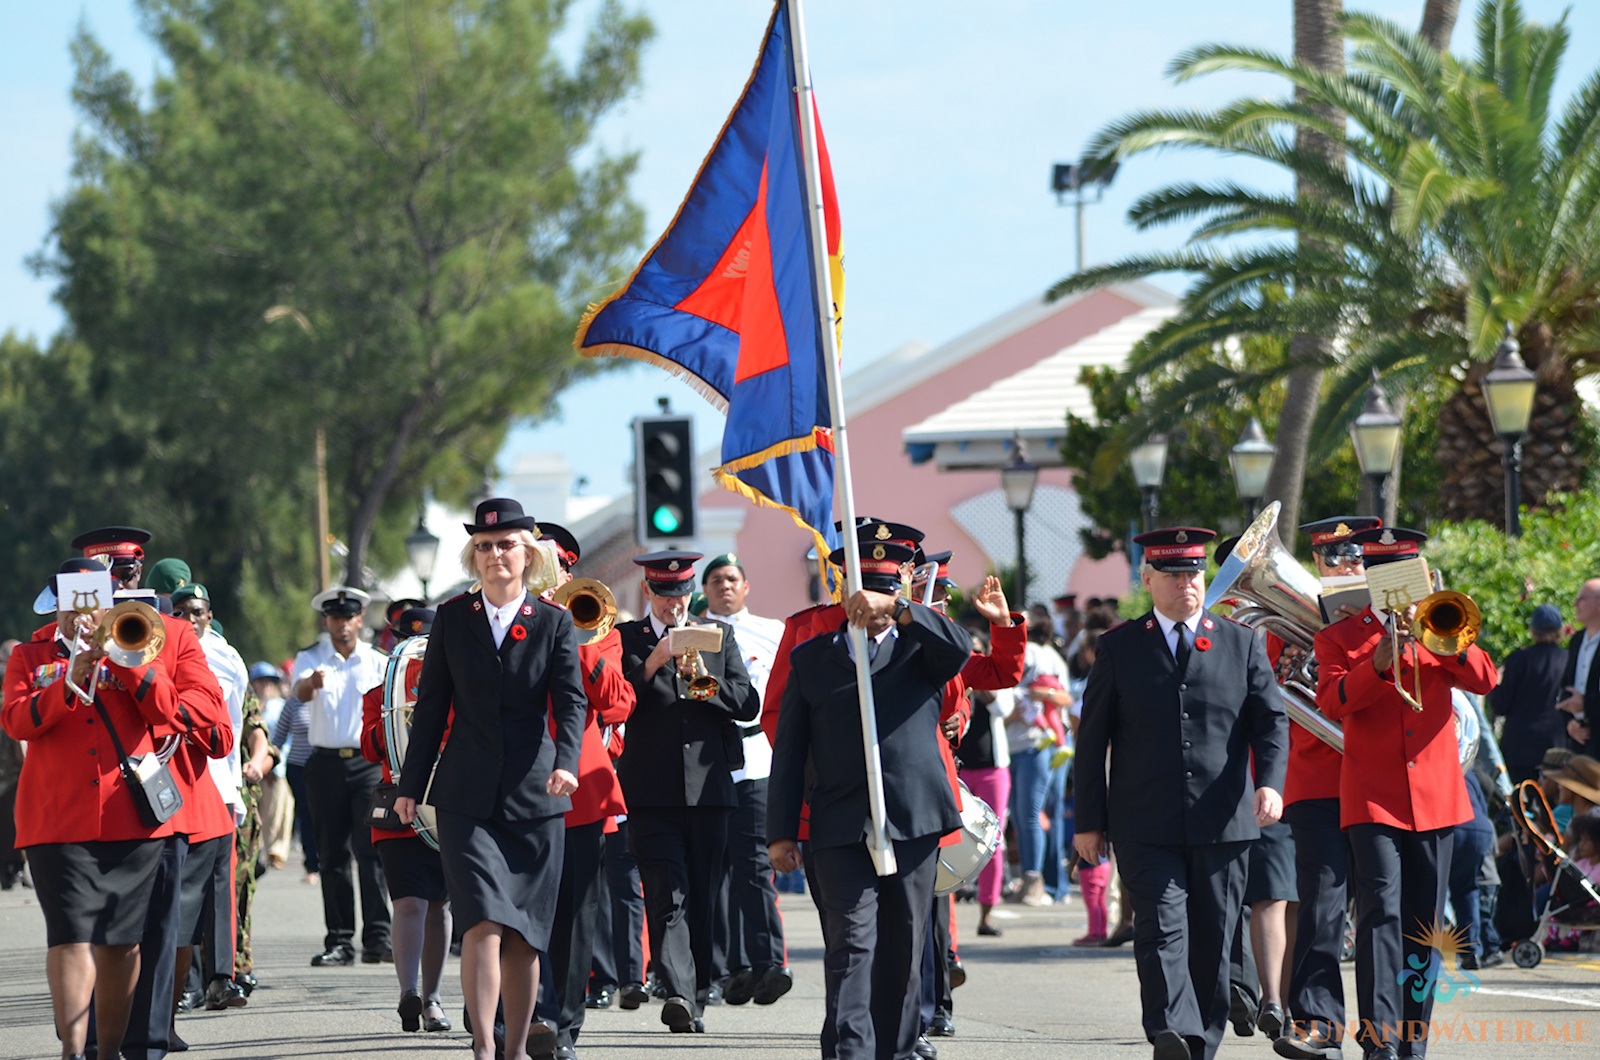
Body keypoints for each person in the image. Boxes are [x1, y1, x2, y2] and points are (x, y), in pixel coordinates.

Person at [4, 557, 230, 1060]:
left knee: (122, 942)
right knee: (69, 933)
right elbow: (17, 721)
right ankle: (72, 1050)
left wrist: (127, 662)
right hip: (56, 821)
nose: (82, 613)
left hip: (131, 821)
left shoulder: (135, 645)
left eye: (94, 601)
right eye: (72, 602)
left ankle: (109, 1052)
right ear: (56, 607)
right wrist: (66, 682)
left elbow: (174, 713)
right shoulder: (30, 654)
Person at [1074, 527, 1287, 1060]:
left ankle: (1202, 1042)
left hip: (1224, 822)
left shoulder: (1241, 642)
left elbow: (1271, 724)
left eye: (1193, 572)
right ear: (1147, 579)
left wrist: (1270, 784)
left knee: (1213, 940)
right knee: (1161, 927)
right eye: (1172, 573)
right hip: (1144, 823)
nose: (1185, 583)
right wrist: (1087, 822)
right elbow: (1091, 739)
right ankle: (1173, 1030)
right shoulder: (1120, 646)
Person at [395, 498, 587, 1060]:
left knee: (526, 932)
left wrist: (567, 762)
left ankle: (516, 1048)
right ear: (474, 556)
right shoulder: (453, 618)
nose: (495, 554)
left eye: (506, 544)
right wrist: (409, 787)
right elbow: (430, 707)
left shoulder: (553, 621)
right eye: (485, 546)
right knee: (481, 920)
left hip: (536, 796)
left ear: (527, 554)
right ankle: (483, 1047)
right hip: (465, 798)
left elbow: (571, 703)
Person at [768, 539, 972, 1060]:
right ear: (846, 594)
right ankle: (850, 1050)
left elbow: (961, 649)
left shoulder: (921, 650)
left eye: (886, 591)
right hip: (838, 821)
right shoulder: (812, 658)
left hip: (912, 819)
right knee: (851, 942)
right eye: (868, 591)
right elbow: (790, 751)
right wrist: (781, 832)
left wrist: (904, 610)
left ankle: (896, 1050)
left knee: (904, 947)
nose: (875, 602)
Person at [1318, 526, 1497, 1060]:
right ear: (1372, 580)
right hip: (1372, 799)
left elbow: (1486, 679)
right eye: (1388, 573)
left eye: (1407, 572)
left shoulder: (1439, 628)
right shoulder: (1341, 637)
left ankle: (1412, 1043)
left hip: (1437, 798)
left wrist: (1441, 638)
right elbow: (1332, 700)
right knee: (1379, 917)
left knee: (1423, 923)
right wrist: (1376, 666)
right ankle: (1379, 1042)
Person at [614, 549, 759, 1034]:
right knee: (666, 893)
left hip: (709, 790)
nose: (674, 604)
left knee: (702, 894)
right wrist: (654, 661)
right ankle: (676, 989)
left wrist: (707, 682)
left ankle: (696, 993)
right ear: (648, 593)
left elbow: (747, 702)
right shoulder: (625, 638)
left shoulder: (719, 637)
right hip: (650, 791)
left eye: (681, 594)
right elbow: (615, 703)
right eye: (664, 594)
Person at [1274, 515, 1379, 1060]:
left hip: (1381, 781)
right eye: (1334, 557)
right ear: (1316, 562)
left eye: (1356, 556)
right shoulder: (1284, 621)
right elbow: (1264, 691)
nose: (1346, 565)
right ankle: (1317, 1024)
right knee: (1321, 905)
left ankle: (1385, 1030)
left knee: (1384, 911)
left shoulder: (1388, 615)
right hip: (1317, 779)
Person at [535, 522, 635, 1060]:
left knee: (575, 915)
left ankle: (563, 1026)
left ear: (568, 573)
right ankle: (520, 1012)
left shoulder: (598, 627)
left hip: (581, 790)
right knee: (519, 911)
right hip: (515, 784)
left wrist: (574, 636)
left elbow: (619, 703)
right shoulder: (504, 619)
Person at [699, 552, 793, 1007]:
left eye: (732, 578)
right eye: (715, 580)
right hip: (709, 760)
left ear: (746, 585)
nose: (724, 586)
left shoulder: (773, 631)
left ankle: (768, 962)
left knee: (755, 864)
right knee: (714, 869)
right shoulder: (692, 633)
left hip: (757, 754)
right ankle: (725, 970)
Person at [360, 605, 453, 1036]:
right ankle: (408, 993)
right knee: (409, 902)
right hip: (397, 805)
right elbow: (371, 749)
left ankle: (433, 998)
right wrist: (396, 707)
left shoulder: (458, 687)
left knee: (440, 903)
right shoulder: (377, 693)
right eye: (405, 642)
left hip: (446, 804)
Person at [291, 585, 392, 966]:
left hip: (366, 765)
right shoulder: (312, 657)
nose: (342, 625)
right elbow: (298, 692)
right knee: (331, 854)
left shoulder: (377, 661)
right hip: (325, 763)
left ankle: (379, 938)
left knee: (372, 851)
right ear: (326, 621)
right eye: (335, 618)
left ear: (359, 620)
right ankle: (339, 940)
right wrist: (310, 684)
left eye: (349, 617)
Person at [169, 581, 257, 1012]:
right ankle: (185, 981)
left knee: (222, 887)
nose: (189, 619)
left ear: (209, 615)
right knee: (183, 888)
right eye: (181, 611)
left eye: (197, 612)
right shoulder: (161, 648)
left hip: (221, 782)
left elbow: (236, 723)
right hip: (180, 786)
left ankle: (223, 977)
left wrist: (237, 784)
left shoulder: (228, 657)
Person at [1493, 604, 1572, 785]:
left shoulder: (1518, 659)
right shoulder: (1569, 660)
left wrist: (1495, 684)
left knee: (1521, 806)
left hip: (1519, 747)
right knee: (1554, 808)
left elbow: (1501, 705)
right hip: (1557, 747)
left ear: (1533, 629)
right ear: (1560, 630)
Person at [251, 662, 294, 871]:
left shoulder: (279, 706)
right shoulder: (250, 705)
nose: (265, 685)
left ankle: (276, 851)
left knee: (278, 809)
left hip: (277, 765)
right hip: (252, 766)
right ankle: (255, 848)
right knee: (256, 809)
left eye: (269, 681)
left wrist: (274, 763)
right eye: (261, 681)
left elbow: (286, 737)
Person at [1558, 579, 1600, 759]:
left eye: (1581, 598)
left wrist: (1586, 704)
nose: (1575, 603)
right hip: (1582, 743)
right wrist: (1571, 724)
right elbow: (1567, 687)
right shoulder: (1577, 640)